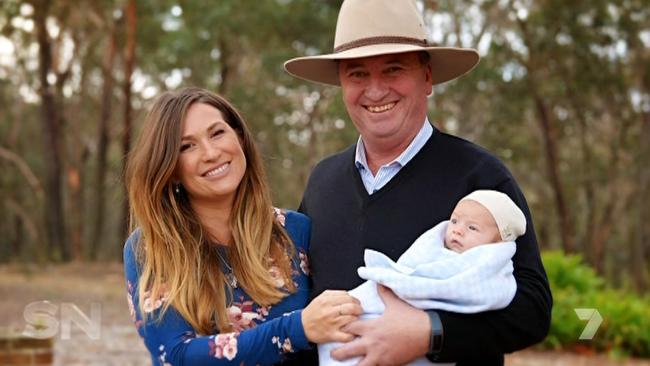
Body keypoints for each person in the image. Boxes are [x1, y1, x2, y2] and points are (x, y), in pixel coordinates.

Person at [284, 0, 552, 364]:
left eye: (393, 69)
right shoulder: (322, 181)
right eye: (357, 74)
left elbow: (533, 309)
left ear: (426, 78)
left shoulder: (480, 176)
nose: (375, 90)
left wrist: (431, 333)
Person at [123, 87, 362, 366]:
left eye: (217, 133)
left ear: (240, 138)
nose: (211, 152)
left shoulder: (296, 231)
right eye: (187, 146)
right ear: (171, 170)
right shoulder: (150, 247)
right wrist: (297, 329)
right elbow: (175, 355)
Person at [319, 190, 527, 365]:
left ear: (497, 242)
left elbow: (467, 292)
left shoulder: (484, 268)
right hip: (368, 309)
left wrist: (429, 328)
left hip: (419, 339)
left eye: (472, 227)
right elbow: (409, 269)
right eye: (455, 220)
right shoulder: (432, 249)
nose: (457, 230)